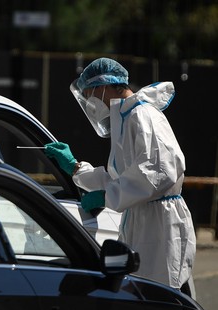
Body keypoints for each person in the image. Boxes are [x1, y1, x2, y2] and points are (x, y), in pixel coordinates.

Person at [45, 57, 196, 297]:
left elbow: (159, 172)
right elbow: (121, 178)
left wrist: (106, 197)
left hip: (159, 224)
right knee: (141, 297)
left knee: (162, 300)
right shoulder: (126, 118)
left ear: (103, 85)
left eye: (89, 93)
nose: (89, 100)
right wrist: (75, 168)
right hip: (142, 218)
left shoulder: (142, 115)